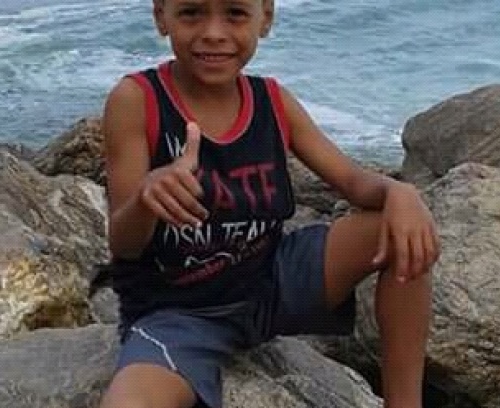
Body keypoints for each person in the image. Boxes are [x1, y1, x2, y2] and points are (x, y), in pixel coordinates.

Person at [98, 0, 439, 407]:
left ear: (266, 18)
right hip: (179, 314)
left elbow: (352, 181)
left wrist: (400, 192)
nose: (213, 33)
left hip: (270, 281)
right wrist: (146, 198)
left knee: (403, 233)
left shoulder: (273, 101)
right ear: (161, 17)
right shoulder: (137, 100)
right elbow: (124, 244)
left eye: (235, 14)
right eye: (191, 12)